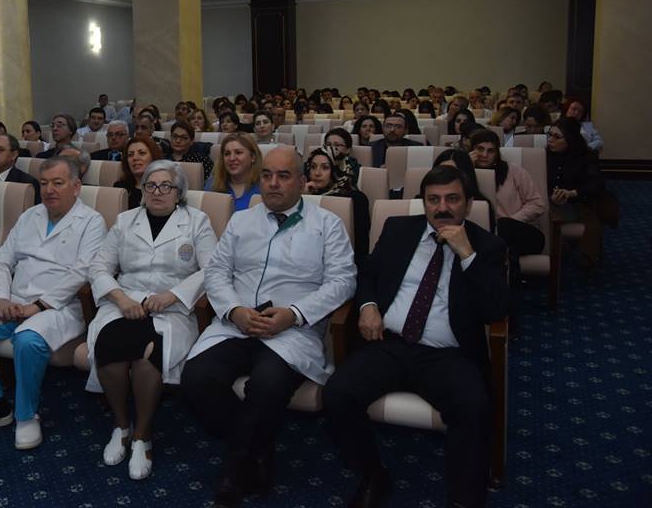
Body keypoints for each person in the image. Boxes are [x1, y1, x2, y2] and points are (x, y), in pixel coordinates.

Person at [323, 165, 508, 508]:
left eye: (452, 199)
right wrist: (368, 306)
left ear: (469, 204)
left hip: (448, 355)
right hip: (389, 344)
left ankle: (464, 499)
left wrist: (467, 255)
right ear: (424, 202)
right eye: (433, 199)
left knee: (473, 406)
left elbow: (495, 309)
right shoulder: (398, 229)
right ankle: (372, 473)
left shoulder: (488, 246)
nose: (442, 208)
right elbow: (367, 273)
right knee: (336, 393)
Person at [182, 147, 356, 508]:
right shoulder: (242, 221)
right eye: (267, 175)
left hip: (291, 331)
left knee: (266, 385)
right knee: (196, 379)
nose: (273, 183)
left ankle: (233, 472)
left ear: (302, 181)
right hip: (238, 324)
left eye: (284, 176)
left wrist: (294, 314)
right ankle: (257, 451)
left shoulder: (327, 224)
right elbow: (217, 272)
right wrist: (234, 310)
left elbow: (343, 282)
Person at [0, 157, 106, 447]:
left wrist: (40, 306)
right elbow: (1, 261)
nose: (49, 190)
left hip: (59, 307)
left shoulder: (92, 221)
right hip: (14, 300)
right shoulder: (29, 216)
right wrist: (0, 298)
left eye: (58, 183)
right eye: (44, 183)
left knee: (28, 340)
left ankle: (26, 414)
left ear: (76, 187)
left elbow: (82, 272)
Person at [86, 160, 217, 479]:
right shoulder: (125, 221)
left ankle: (142, 436)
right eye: (151, 185)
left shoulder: (197, 221)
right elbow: (99, 267)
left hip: (172, 309)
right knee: (109, 348)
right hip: (125, 303)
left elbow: (212, 269)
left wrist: (172, 295)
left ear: (179, 192)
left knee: (148, 356)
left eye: (166, 186)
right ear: (142, 190)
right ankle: (121, 426)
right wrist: (121, 298)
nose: (157, 192)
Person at [470, 130, 545, 324]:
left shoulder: (514, 171)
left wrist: (510, 221)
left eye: (490, 151)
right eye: (480, 149)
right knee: (501, 250)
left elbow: (537, 204)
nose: (485, 155)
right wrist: (466, 168)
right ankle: (505, 313)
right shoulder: (465, 174)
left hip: (523, 233)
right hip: (489, 240)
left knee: (502, 231)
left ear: (497, 153)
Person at [547, 117, 604, 267]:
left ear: (570, 140)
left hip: (578, 202)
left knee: (590, 225)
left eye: (557, 137)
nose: (550, 140)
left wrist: (571, 193)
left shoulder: (586, 156)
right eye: (549, 134)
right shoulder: (545, 155)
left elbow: (596, 185)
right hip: (549, 202)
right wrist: (552, 196)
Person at [305, 135, 371, 262]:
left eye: (325, 167)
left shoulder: (355, 199)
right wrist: (302, 197)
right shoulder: (303, 194)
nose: (317, 173)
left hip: (342, 261)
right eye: (313, 167)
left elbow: (360, 248)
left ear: (337, 170)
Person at [204, 133, 262, 212]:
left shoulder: (264, 186)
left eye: (238, 152)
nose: (232, 158)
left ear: (253, 157)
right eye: (227, 154)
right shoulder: (212, 184)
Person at [115, 137, 162, 209]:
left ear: (153, 157)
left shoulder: (164, 188)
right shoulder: (120, 187)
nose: (135, 158)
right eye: (130, 155)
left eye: (142, 153)